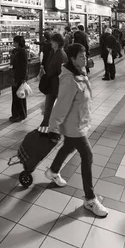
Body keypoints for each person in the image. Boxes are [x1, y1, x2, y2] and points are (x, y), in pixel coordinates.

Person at [45, 43, 108, 218]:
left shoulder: (79, 72)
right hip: (74, 126)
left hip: (79, 122)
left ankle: (53, 170)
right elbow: (61, 105)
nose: (85, 59)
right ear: (72, 59)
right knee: (87, 157)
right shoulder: (69, 79)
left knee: (69, 147)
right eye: (81, 57)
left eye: (85, 56)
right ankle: (90, 199)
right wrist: (53, 127)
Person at [40, 33, 68, 127]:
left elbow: (63, 72)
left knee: (50, 108)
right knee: (48, 107)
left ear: (58, 43)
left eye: (53, 41)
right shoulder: (53, 52)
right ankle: (47, 126)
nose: (51, 42)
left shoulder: (61, 54)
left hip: (57, 84)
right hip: (51, 83)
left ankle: (47, 127)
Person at [9, 35, 28, 122]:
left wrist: (23, 78)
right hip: (16, 76)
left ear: (18, 42)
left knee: (19, 96)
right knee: (17, 96)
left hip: (19, 77)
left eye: (14, 41)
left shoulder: (22, 52)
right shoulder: (16, 51)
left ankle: (18, 115)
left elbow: (24, 66)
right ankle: (19, 114)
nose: (13, 43)